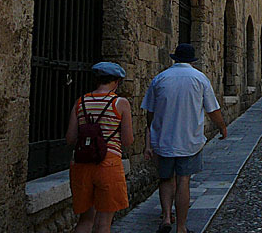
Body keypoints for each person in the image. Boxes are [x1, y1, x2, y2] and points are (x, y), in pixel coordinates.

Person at [142, 43, 227, 233]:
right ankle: (181, 227)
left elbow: (150, 111)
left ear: (175, 58)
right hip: (189, 140)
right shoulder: (200, 79)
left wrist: (152, 129)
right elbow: (212, 109)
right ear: (192, 60)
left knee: (165, 179)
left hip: (163, 138)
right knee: (183, 180)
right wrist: (222, 127)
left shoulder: (160, 79)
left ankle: (165, 218)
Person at [66, 62, 134, 233]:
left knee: (85, 220)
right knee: (103, 223)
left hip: (81, 164)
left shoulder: (80, 102)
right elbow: (127, 140)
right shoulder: (120, 103)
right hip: (108, 163)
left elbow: (70, 138)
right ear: (117, 81)